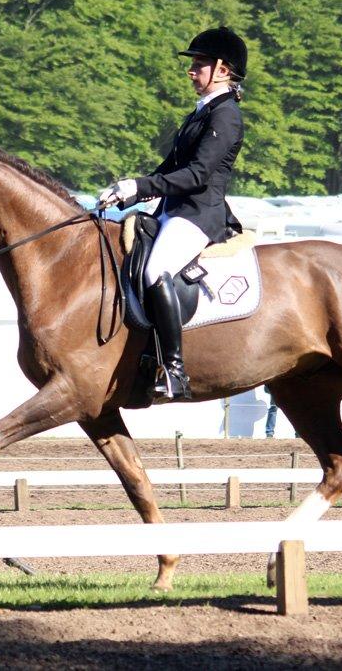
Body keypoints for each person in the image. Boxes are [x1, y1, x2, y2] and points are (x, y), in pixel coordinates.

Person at [98, 26, 247, 402]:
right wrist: (128, 192)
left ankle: (175, 370)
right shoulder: (202, 112)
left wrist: (139, 186)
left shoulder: (226, 116)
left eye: (199, 65)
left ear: (223, 70)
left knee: (155, 270)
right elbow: (170, 168)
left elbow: (197, 175)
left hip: (199, 214)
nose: (191, 71)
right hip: (173, 210)